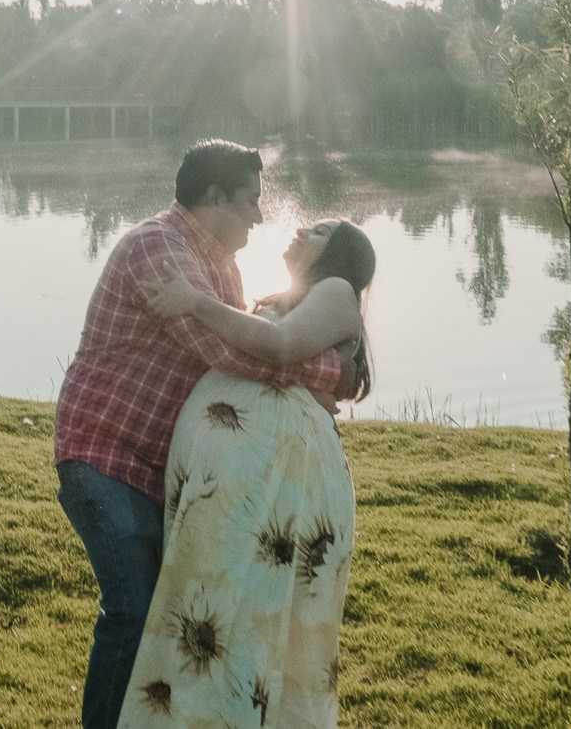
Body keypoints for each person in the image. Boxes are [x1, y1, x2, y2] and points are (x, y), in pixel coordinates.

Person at [55, 141, 344, 729]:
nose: (259, 216)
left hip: (156, 470)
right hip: (103, 456)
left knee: (170, 617)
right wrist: (333, 371)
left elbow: (242, 356)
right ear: (214, 197)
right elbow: (226, 353)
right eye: (250, 201)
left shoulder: (221, 266)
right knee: (133, 610)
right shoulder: (158, 248)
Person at [117, 217, 377, 729]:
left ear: (340, 255)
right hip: (243, 484)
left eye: (320, 232)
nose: (303, 231)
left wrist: (195, 301)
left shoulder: (336, 289)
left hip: (282, 482)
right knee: (209, 612)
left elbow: (279, 347)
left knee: (250, 615)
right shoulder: (288, 296)